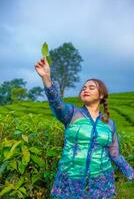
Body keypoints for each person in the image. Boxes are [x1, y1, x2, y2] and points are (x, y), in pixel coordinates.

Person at [35, 57, 134, 199]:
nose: (86, 89)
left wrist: (131, 173)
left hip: (101, 185)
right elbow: (56, 103)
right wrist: (46, 78)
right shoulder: (72, 114)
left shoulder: (110, 124)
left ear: (101, 95)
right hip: (69, 182)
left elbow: (115, 154)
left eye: (91, 87)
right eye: (84, 88)